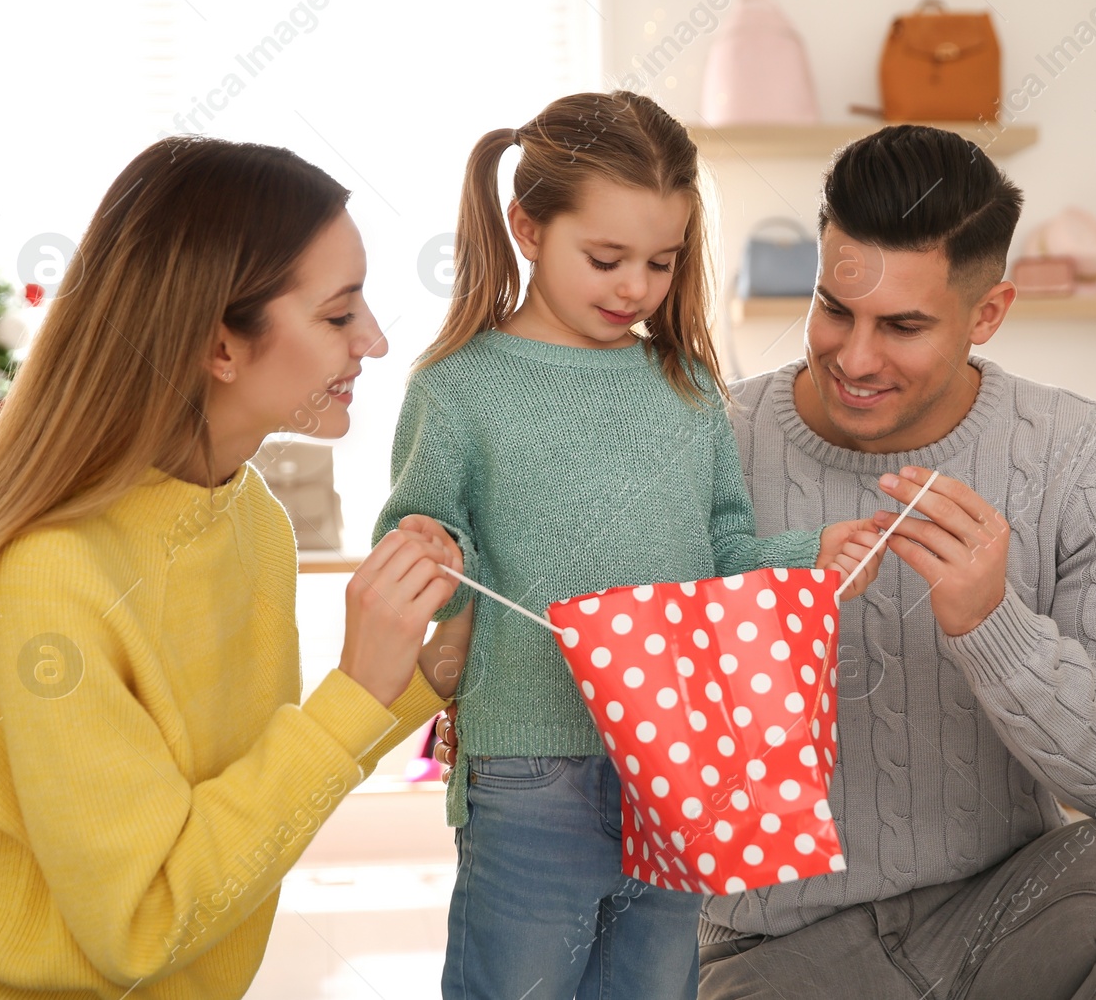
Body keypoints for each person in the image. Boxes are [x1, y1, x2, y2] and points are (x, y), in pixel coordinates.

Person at [0, 137, 468, 1000]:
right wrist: (352, 691)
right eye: (339, 314)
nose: (373, 339)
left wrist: (422, 666)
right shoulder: (52, 577)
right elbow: (144, 920)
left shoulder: (250, 515)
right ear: (219, 345)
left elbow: (234, 799)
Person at [692, 125, 1096, 997]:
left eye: (904, 325)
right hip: (778, 947)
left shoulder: (1084, 456)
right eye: (833, 307)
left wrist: (994, 629)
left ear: (988, 313)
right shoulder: (706, 444)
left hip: (1007, 913)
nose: (853, 357)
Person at [373, 90, 887, 1000]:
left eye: (661, 261)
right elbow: (418, 552)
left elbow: (723, 550)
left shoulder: (684, 383)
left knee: (651, 987)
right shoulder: (460, 388)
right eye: (605, 258)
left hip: (681, 755)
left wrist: (812, 552)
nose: (635, 288)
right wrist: (432, 548)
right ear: (527, 226)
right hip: (530, 764)